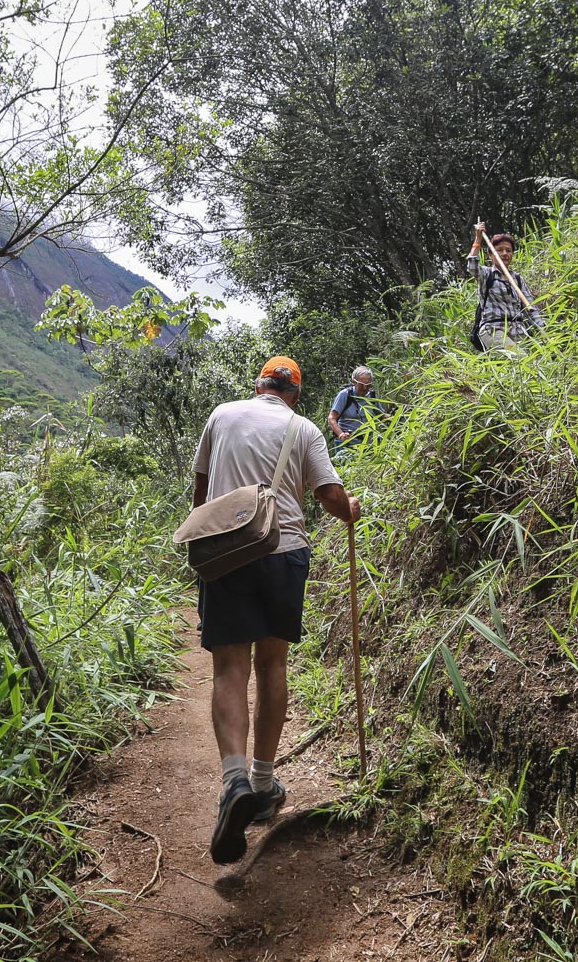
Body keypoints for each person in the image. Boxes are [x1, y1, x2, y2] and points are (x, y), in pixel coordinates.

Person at [190, 356, 361, 864]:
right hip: (283, 551)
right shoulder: (303, 428)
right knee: (272, 663)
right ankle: (263, 786)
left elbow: (200, 491)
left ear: (259, 385)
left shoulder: (221, 415)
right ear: (294, 393)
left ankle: (234, 780)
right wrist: (350, 509)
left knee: (229, 668)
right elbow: (329, 496)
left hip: (224, 553)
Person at [464, 224, 541, 351]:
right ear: (491, 255)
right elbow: (472, 267)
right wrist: (478, 239)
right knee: (519, 359)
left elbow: (531, 307)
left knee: (532, 365)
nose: (505, 253)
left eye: (508, 250)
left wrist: (542, 328)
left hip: (518, 331)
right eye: (500, 250)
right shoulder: (487, 274)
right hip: (494, 330)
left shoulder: (517, 279)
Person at [327, 366, 378, 454]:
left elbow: (381, 415)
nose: (365, 388)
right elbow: (331, 418)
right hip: (346, 443)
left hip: (366, 444)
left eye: (368, 385)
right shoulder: (345, 395)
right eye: (362, 385)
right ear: (354, 382)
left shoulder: (371, 396)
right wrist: (341, 434)